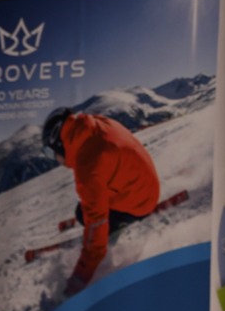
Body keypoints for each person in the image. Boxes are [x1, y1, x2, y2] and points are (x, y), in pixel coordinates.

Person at [42, 107, 160, 295]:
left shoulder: (87, 166)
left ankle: (114, 230)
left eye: (50, 153)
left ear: (58, 143)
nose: (56, 160)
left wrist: (78, 281)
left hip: (139, 202)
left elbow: (96, 234)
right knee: (87, 206)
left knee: (83, 214)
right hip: (145, 184)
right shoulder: (96, 123)